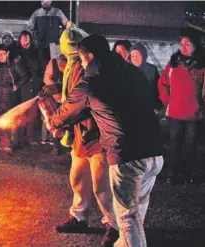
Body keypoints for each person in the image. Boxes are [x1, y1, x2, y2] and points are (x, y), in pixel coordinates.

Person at [49, 34, 164, 247]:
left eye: (82, 59)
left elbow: (69, 111)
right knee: (137, 208)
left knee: (128, 216)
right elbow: (149, 100)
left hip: (127, 155)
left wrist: (53, 121)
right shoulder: (132, 72)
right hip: (155, 150)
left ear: (90, 56)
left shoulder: (91, 81)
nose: (81, 64)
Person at [42, 27, 118, 247]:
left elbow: (79, 101)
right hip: (81, 134)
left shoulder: (88, 67)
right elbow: (72, 93)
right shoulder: (73, 65)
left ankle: (113, 224)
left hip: (95, 135)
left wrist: (57, 121)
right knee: (78, 178)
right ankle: (79, 216)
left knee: (101, 184)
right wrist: (55, 89)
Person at [158, 27, 205, 185]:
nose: (183, 47)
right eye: (181, 44)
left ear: (195, 47)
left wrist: (202, 106)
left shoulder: (201, 66)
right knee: (174, 142)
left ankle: (188, 173)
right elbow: (163, 83)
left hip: (194, 112)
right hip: (175, 111)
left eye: (187, 44)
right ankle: (173, 172)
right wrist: (167, 100)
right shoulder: (173, 63)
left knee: (190, 144)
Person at [0, 45, 28, 154]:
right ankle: (4, 142)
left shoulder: (14, 65)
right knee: (2, 121)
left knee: (11, 121)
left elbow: (24, 76)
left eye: (2, 54)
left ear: (7, 54)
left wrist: (17, 85)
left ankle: (12, 144)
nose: (0, 57)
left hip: (10, 98)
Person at [16, 30, 43, 147]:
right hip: (22, 85)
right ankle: (20, 137)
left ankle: (29, 137)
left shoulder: (36, 52)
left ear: (30, 39)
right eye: (22, 38)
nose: (24, 41)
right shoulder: (17, 53)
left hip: (34, 84)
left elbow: (41, 68)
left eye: (26, 38)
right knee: (22, 111)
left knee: (32, 112)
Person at [27, 0, 69, 71]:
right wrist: (36, 38)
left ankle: (55, 81)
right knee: (43, 65)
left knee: (55, 65)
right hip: (41, 44)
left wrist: (61, 37)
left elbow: (67, 24)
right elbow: (29, 27)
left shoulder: (58, 12)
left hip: (55, 44)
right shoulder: (37, 13)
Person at [42, 54, 66, 155]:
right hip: (55, 97)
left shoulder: (75, 62)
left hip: (68, 97)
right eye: (60, 65)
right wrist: (55, 91)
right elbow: (47, 78)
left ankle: (68, 145)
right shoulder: (53, 63)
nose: (62, 68)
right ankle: (56, 146)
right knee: (55, 120)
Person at [129, 42, 162, 111]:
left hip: (150, 108)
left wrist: (157, 106)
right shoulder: (127, 70)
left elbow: (158, 89)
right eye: (133, 56)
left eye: (138, 55)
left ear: (144, 55)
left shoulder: (152, 69)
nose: (135, 58)